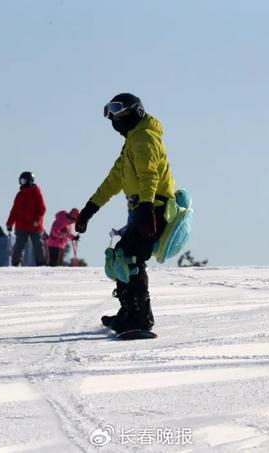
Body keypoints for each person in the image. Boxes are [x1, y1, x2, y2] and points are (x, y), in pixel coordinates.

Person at [75, 93, 176, 333]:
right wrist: (90, 208)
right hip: (143, 208)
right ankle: (130, 312)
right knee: (121, 257)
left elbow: (149, 175)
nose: (114, 118)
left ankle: (139, 318)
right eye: (111, 112)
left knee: (129, 258)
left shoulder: (144, 139)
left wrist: (147, 208)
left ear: (135, 111)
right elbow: (114, 180)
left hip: (153, 208)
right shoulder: (133, 141)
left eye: (118, 111)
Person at [6, 171, 47, 266]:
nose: (22, 183)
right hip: (21, 225)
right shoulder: (20, 195)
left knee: (38, 245)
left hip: (35, 225)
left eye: (24, 181)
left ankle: (41, 263)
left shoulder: (36, 193)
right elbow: (14, 210)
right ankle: (16, 263)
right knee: (19, 245)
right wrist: (10, 223)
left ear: (30, 181)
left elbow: (42, 208)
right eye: (21, 181)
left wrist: (37, 220)